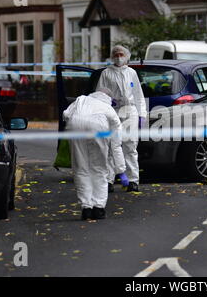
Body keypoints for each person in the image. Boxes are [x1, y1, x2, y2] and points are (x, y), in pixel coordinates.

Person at [63, 87, 129, 220]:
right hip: (98, 129)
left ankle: (86, 208)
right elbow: (116, 144)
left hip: (75, 127)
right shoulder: (108, 108)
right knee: (99, 169)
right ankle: (98, 208)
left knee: (81, 170)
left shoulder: (80, 100)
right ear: (109, 98)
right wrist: (121, 170)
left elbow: (66, 114)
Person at [96, 45, 147, 192]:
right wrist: (104, 106)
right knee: (111, 147)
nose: (119, 57)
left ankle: (133, 180)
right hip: (113, 111)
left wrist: (141, 115)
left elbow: (138, 95)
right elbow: (99, 94)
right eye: (116, 54)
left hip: (130, 110)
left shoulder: (131, 73)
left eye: (121, 54)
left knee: (130, 146)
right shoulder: (106, 73)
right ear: (112, 57)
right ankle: (109, 180)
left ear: (126, 56)